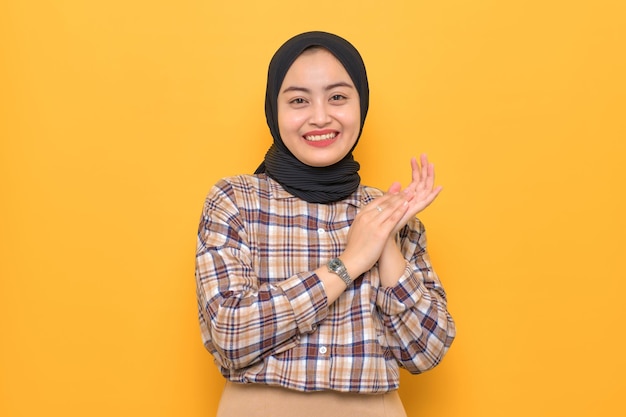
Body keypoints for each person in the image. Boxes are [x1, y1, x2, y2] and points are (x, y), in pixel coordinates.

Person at [195, 31, 455, 417]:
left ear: (360, 104)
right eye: (299, 100)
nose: (320, 116)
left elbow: (425, 352)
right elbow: (232, 335)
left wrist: (383, 239)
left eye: (337, 97)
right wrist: (350, 261)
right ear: (274, 110)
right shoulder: (235, 200)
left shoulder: (388, 213)